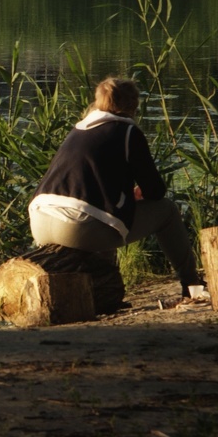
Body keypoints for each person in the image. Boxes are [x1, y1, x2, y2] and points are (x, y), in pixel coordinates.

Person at [28, 76, 205, 300]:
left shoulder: (78, 131)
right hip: (78, 229)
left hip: (40, 222)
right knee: (167, 210)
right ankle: (191, 284)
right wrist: (138, 195)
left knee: (107, 214)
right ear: (133, 105)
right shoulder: (128, 132)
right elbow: (156, 191)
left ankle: (103, 296)